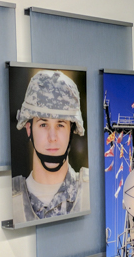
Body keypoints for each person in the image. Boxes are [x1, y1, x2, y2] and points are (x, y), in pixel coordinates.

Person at [12, 70, 89, 224]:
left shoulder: (92, 190)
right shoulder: (10, 198)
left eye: (60, 124)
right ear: (29, 129)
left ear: (72, 130)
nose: (52, 137)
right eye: (43, 124)